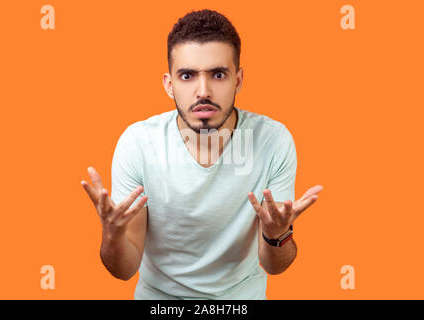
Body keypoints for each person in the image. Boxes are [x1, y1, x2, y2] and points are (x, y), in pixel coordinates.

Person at [81, 9, 323, 300]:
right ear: (169, 85)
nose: (203, 91)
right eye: (187, 75)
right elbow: (123, 269)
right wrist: (112, 235)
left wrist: (278, 235)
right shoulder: (137, 143)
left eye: (218, 74)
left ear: (238, 80)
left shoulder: (273, 140)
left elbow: (275, 266)